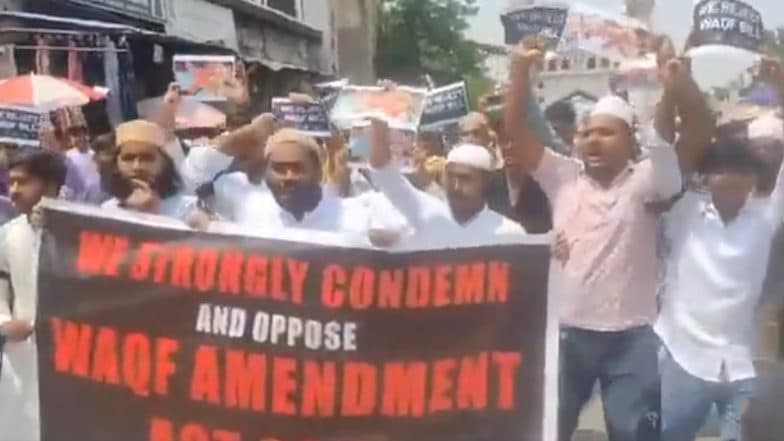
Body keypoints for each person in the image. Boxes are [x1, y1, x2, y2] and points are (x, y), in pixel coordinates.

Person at [504, 39, 711, 441]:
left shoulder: (649, 180)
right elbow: (515, 132)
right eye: (586, 133)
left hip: (633, 338)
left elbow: (699, 129)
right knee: (547, 430)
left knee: (633, 433)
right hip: (567, 333)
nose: (593, 140)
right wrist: (519, 71)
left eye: (606, 132)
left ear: (631, 142)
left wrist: (677, 82)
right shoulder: (562, 176)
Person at [656, 59, 784, 441]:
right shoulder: (684, 211)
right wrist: (673, 87)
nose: (732, 177)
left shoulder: (767, 216)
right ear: (706, 177)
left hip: (741, 365)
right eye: (723, 169)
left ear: (754, 179)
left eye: (742, 170)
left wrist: (781, 85)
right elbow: (662, 151)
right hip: (681, 358)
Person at [368, 118, 527, 247]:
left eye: (465, 179)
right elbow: (384, 172)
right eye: (451, 177)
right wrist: (380, 123)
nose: (456, 187)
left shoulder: (510, 234)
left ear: (486, 181)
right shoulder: (429, 215)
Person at [0, 148, 68, 441]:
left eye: (23, 182)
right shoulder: (8, 233)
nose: (13, 191)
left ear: (51, 186)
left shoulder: (77, 233)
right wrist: (4, 322)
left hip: (69, 352)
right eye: (10, 182)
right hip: (21, 352)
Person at [103, 119, 197, 221]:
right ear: (116, 164)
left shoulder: (188, 209)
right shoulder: (107, 210)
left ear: (164, 162)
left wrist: (150, 214)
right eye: (128, 158)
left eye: (147, 158)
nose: (137, 167)